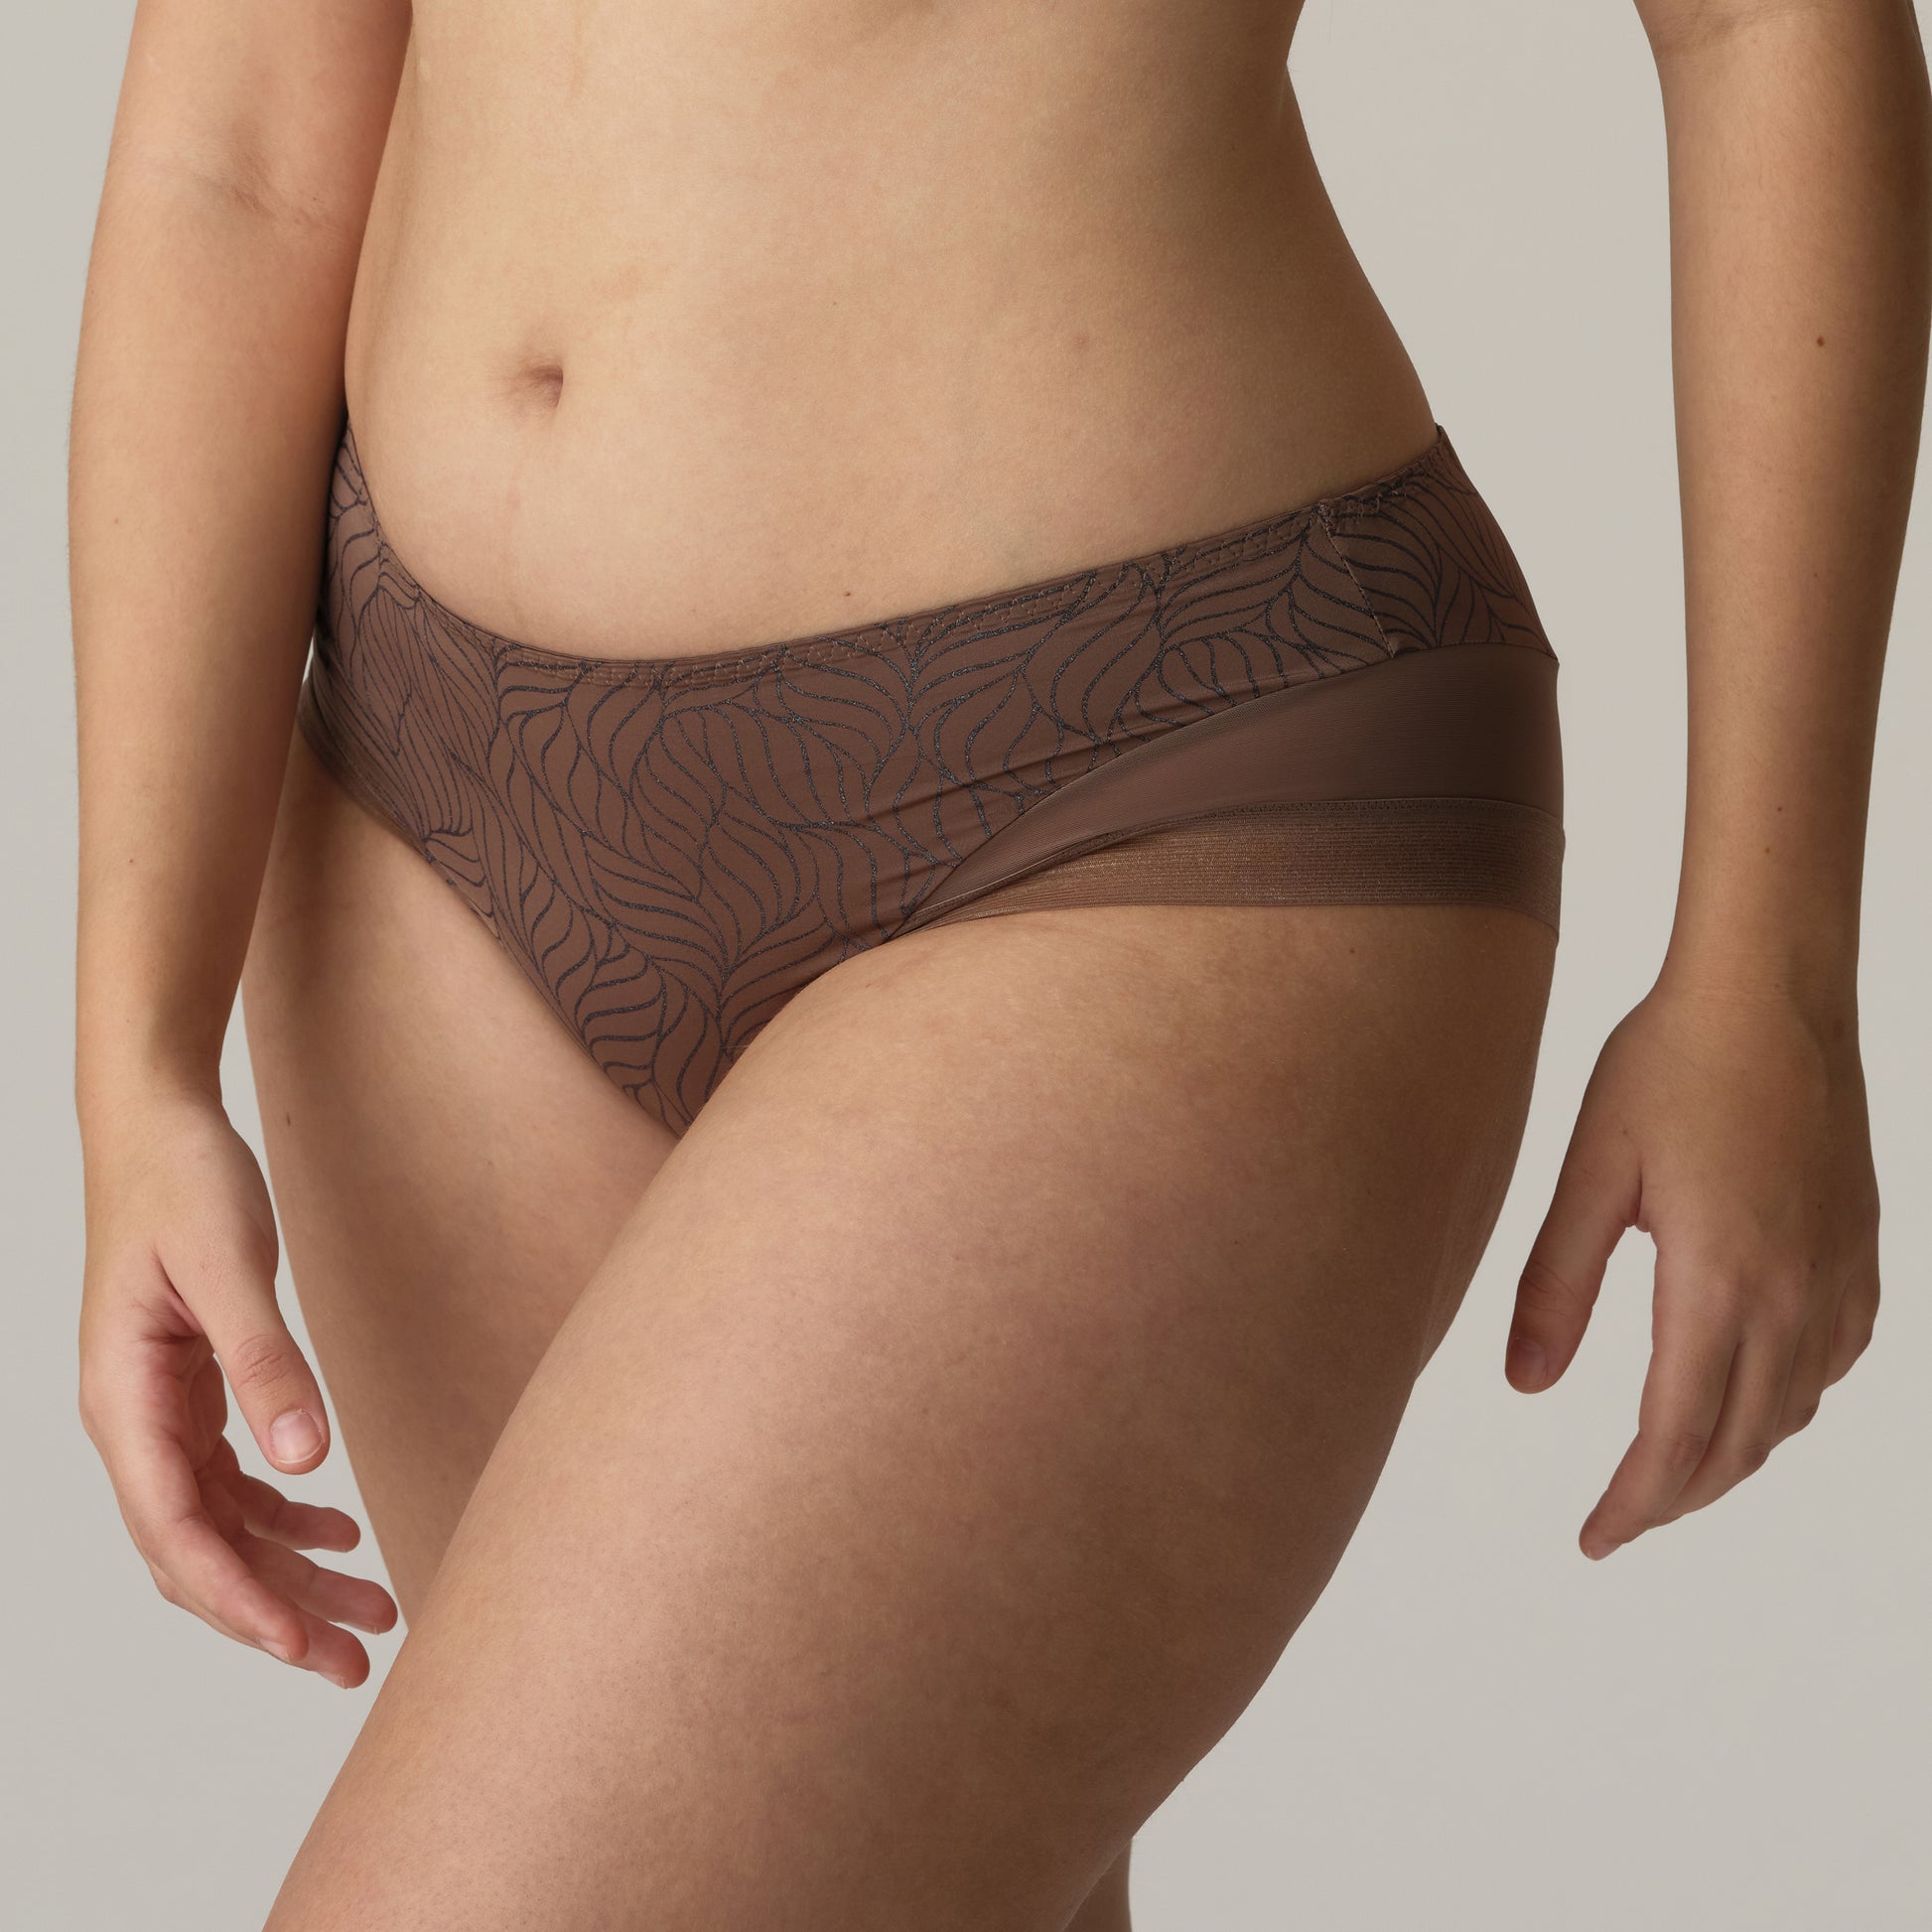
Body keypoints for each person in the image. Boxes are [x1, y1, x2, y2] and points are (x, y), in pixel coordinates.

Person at [68, 0, 1923, 1923]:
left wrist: (1769, 974)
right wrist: (136, 1049)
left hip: (1140, 799)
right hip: (428, 826)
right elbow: (240, 146)